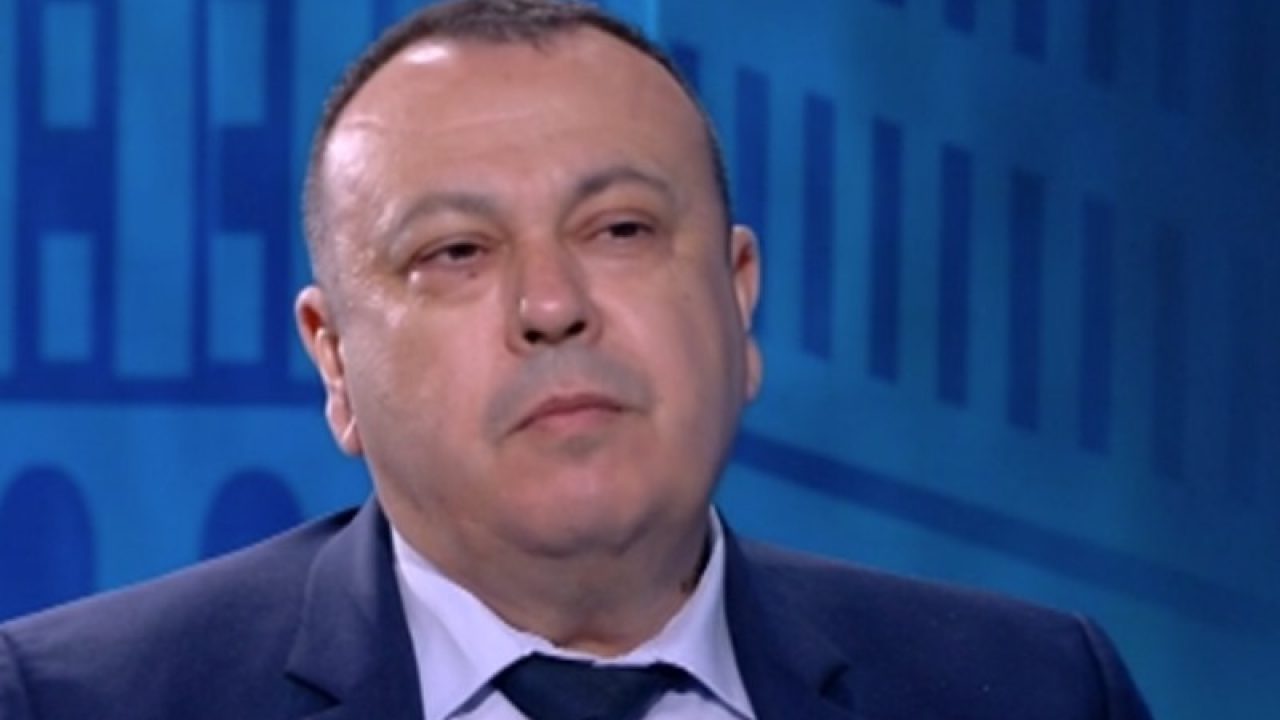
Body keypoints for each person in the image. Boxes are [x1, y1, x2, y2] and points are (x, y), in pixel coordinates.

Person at [0, 1, 1152, 718]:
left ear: (736, 299)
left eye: (620, 231)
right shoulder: (71, 704)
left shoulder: (1039, 689)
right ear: (335, 363)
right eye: (455, 252)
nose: (551, 306)